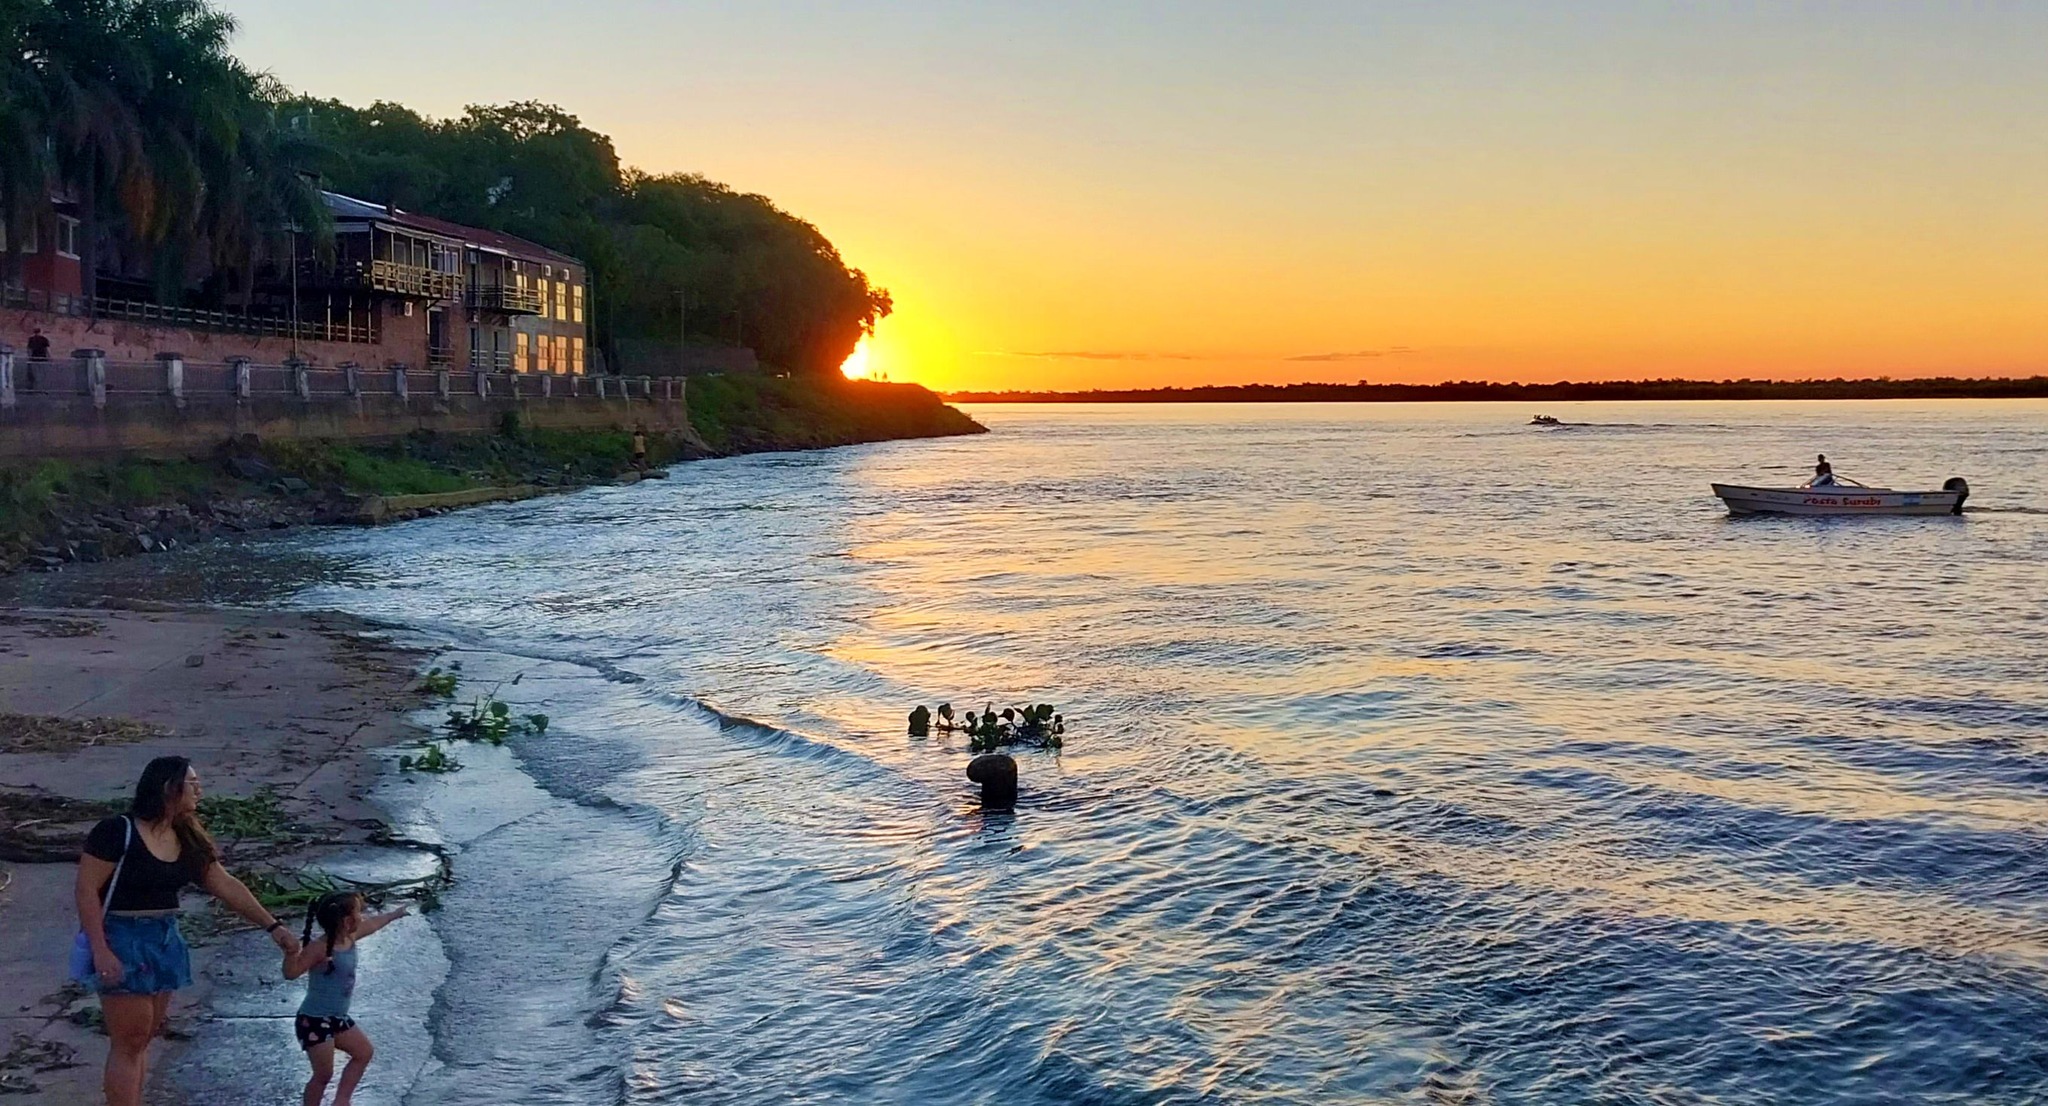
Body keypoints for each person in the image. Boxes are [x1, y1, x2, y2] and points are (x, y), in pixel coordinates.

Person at [77, 756, 301, 1106]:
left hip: (165, 937)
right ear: (169, 788)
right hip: (122, 936)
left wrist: (273, 926)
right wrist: (100, 949)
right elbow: (86, 890)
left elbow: (224, 884)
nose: (199, 790)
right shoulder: (116, 832)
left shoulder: (186, 836)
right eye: (192, 784)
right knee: (129, 1039)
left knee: (146, 1036)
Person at [285, 892, 408, 1106]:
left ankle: (341, 1101)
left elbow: (373, 925)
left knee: (363, 1052)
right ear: (346, 921)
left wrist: (393, 915)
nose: (363, 916)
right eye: (359, 912)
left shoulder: (350, 938)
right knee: (323, 1075)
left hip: (338, 1017)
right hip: (314, 1021)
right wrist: (290, 953)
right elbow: (291, 973)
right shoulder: (319, 948)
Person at [24, 327, 48, 391]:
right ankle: (41, 388)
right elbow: (46, 349)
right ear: (40, 332)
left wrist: (29, 357)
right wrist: (49, 357)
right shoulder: (44, 339)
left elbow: (29, 349)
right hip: (42, 358)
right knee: (42, 373)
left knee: (35, 373)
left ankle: (35, 388)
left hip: (34, 358)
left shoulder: (31, 339)